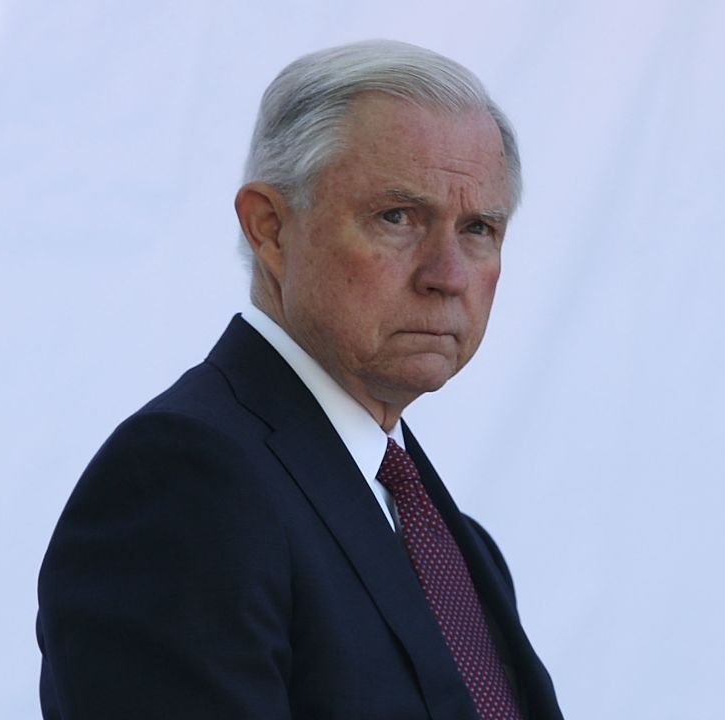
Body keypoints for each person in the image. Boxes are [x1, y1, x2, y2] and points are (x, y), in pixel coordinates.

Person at [36, 39, 563, 719]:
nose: (448, 275)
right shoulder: (182, 485)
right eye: (398, 217)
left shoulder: (446, 534)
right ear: (271, 229)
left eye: (479, 228)